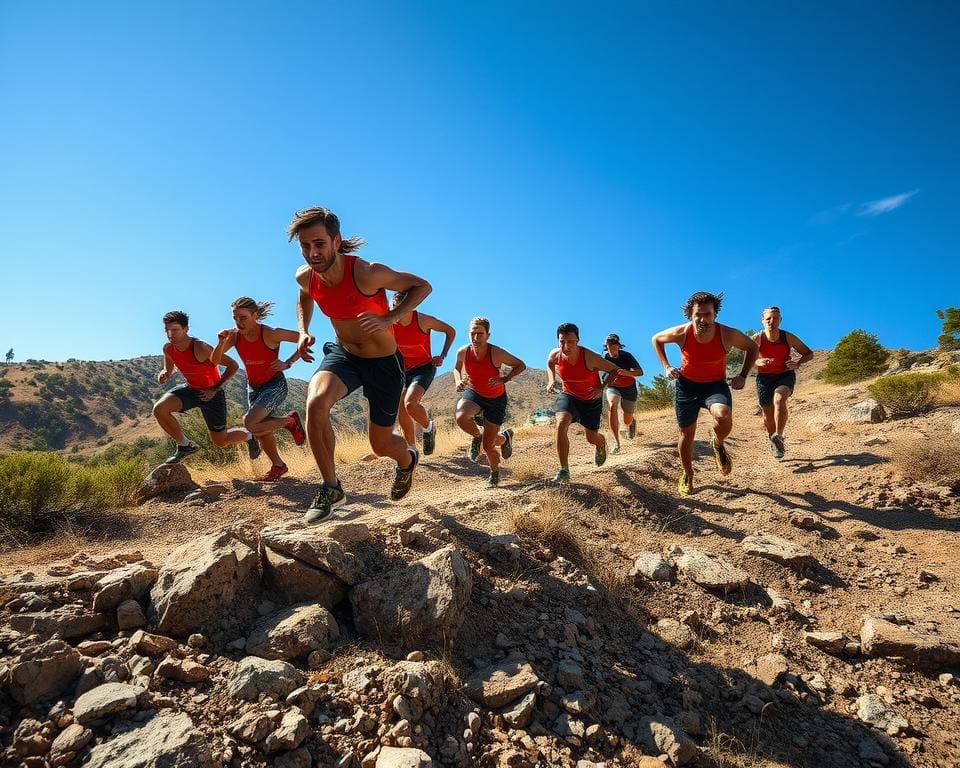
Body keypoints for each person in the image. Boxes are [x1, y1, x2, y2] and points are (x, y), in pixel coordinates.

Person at [290, 206, 431, 523]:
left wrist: (390, 318)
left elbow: (422, 286)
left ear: (336, 241)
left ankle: (407, 460)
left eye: (319, 244)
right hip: (345, 355)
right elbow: (304, 295)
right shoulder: (305, 276)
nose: (312, 253)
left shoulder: (367, 274)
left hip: (383, 363)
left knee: (381, 445)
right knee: (315, 403)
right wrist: (302, 331)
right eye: (305, 246)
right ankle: (331, 489)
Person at [652, 291, 758, 495]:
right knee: (687, 434)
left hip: (714, 386)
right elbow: (656, 339)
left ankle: (717, 443)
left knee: (723, 415)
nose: (702, 319)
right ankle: (688, 474)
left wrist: (743, 375)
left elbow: (752, 347)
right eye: (698, 315)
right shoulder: (682, 333)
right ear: (690, 316)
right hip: (686, 387)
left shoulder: (727, 334)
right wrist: (666, 366)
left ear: (715, 314)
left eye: (707, 314)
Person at [210, 297, 308, 482]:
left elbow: (305, 338)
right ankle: (278, 466)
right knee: (262, 429)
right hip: (253, 388)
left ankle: (289, 421)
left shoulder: (271, 334)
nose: (239, 323)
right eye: (235, 318)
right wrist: (221, 342)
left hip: (274, 385)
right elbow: (214, 361)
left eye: (243, 318)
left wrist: (288, 363)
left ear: (255, 316)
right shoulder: (235, 336)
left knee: (250, 423)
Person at [153, 310, 255, 464]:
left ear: (186, 329)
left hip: (213, 393)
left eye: (175, 330)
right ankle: (184, 445)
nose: (170, 334)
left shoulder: (201, 348)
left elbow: (233, 365)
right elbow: (168, 367)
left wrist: (214, 390)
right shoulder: (168, 348)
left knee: (220, 441)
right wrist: (165, 373)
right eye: (167, 330)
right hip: (191, 389)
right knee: (159, 409)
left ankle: (250, 436)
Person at [546, 323, 623, 484]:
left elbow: (615, 370)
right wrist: (551, 380)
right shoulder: (556, 355)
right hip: (570, 396)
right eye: (562, 342)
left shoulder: (589, 357)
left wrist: (602, 387)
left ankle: (601, 444)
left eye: (571, 342)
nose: (566, 346)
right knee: (561, 424)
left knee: (591, 437)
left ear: (578, 340)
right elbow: (550, 363)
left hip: (590, 402)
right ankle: (564, 470)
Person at [453, 317, 526, 488]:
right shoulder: (463, 352)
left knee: (489, 445)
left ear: (488, 335)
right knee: (461, 417)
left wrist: (505, 378)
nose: (476, 338)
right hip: (475, 393)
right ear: (468, 334)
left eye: (480, 334)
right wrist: (458, 381)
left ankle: (495, 471)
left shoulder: (496, 353)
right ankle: (478, 437)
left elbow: (520, 365)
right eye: (473, 333)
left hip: (496, 400)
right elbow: (456, 368)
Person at [391, 292, 456, 456]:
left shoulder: (423, 320)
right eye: (393, 309)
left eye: (400, 311)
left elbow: (450, 331)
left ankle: (429, 428)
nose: (396, 315)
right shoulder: (388, 321)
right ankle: (411, 449)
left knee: (410, 404)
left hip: (424, 367)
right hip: (401, 370)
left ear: (410, 308)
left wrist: (442, 355)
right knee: (402, 412)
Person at [752, 306, 813, 458]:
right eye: (768, 319)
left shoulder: (788, 337)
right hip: (764, 379)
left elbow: (808, 353)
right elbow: (748, 360)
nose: (771, 321)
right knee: (768, 416)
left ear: (780, 320)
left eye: (775, 318)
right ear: (762, 321)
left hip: (784, 375)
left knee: (779, 399)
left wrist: (798, 362)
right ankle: (773, 439)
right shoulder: (757, 338)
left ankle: (779, 436)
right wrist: (756, 363)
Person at [601, 333, 644, 453]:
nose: (612, 348)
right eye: (610, 346)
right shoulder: (603, 357)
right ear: (606, 346)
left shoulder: (627, 356)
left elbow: (640, 372)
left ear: (619, 346)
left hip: (629, 388)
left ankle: (631, 423)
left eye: (615, 346)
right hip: (613, 387)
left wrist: (627, 373)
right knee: (612, 405)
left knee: (627, 420)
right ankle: (616, 442)